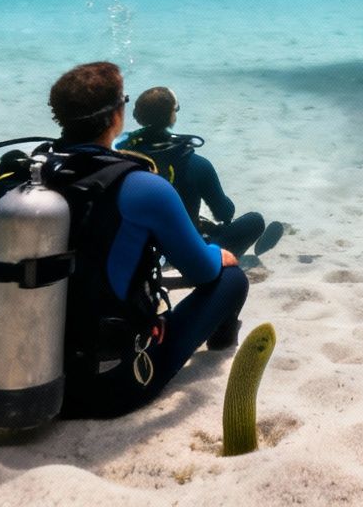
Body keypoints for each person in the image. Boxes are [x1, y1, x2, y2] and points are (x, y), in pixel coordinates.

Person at [45, 62, 249, 418]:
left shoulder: (15, 185)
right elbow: (203, 272)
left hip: (20, 384)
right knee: (231, 277)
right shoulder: (142, 186)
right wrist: (217, 253)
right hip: (110, 390)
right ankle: (222, 342)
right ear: (117, 116)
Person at [117, 85, 285, 258]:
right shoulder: (195, 164)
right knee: (254, 221)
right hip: (185, 252)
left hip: (137, 249)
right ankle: (220, 263)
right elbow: (224, 213)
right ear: (171, 117)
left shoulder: (121, 156)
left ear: (138, 116)